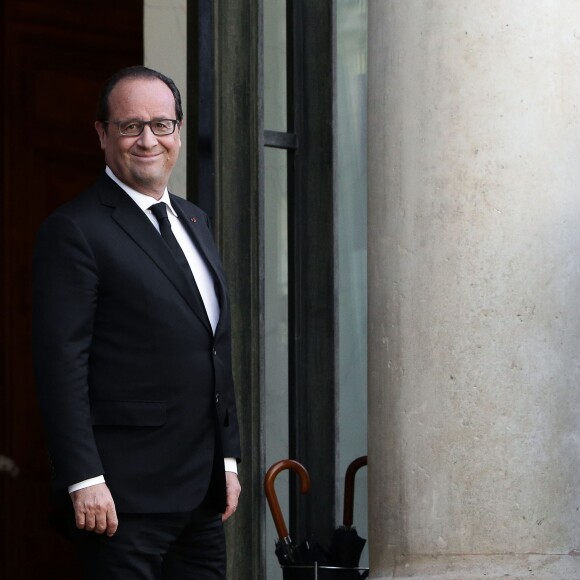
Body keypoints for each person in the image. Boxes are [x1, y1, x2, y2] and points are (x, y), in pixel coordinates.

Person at [32, 65, 241, 580]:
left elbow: (213, 347)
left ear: (178, 132)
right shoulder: (75, 229)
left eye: (162, 125)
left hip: (200, 494)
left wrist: (228, 462)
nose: (148, 139)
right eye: (130, 126)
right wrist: (83, 477)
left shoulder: (195, 220)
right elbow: (61, 365)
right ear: (102, 134)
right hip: (122, 500)